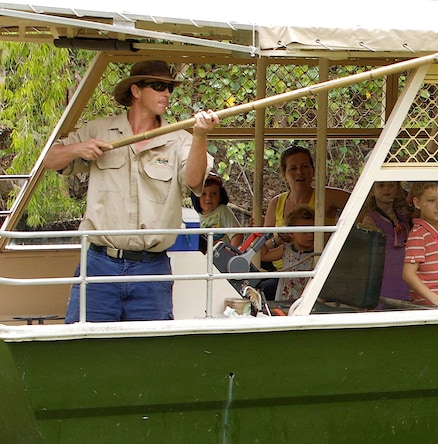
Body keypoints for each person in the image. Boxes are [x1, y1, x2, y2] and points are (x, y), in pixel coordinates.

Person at [41, 60, 220, 323]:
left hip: (151, 268)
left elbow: (194, 181)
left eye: (169, 87)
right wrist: (78, 149)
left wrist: (200, 135)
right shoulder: (100, 130)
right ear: (136, 91)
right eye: (159, 86)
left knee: (150, 353)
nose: (167, 93)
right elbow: (50, 160)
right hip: (99, 264)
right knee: (84, 347)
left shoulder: (181, 139)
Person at [262, 145, 350, 258]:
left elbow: (363, 202)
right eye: (293, 168)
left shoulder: (326, 196)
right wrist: (278, 240)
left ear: (312, 171)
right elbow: (264, 247)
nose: (300, 172)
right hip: (281, 270)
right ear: (284, 175)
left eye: (304, 166)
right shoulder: (276, 202)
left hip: (317, 266)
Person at [403, 181, 438, 308]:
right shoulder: (419, 235)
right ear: (417, 203)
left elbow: (431, 260)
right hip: (429, 307)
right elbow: (408, 274)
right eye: (431, 200)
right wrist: (437, 300)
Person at [358, 180, 412, 301]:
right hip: (383, 272)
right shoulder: (370, 219)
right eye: (381, 185)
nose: (387, 189)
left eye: (391, 185)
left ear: (398, 190)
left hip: (403, 270)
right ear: (372, 191)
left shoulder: (402, 216)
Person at [260, 205, 317, 301]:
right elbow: (263, 256)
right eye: (304, 231)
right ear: (291, 233)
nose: (311, 235)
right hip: (285, 295)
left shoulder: (318, 252)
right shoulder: (286, 249)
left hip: (307, 298)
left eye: (313, 230)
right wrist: (259, 230)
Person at [191, 172, 242, 248]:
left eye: (214, 193)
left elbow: (237, 235)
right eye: (203, 194)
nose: (208, 198)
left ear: (220, 196)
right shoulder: (193, 216)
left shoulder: (222, 210)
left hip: (222, 256)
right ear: (196, 197)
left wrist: (231, 254)